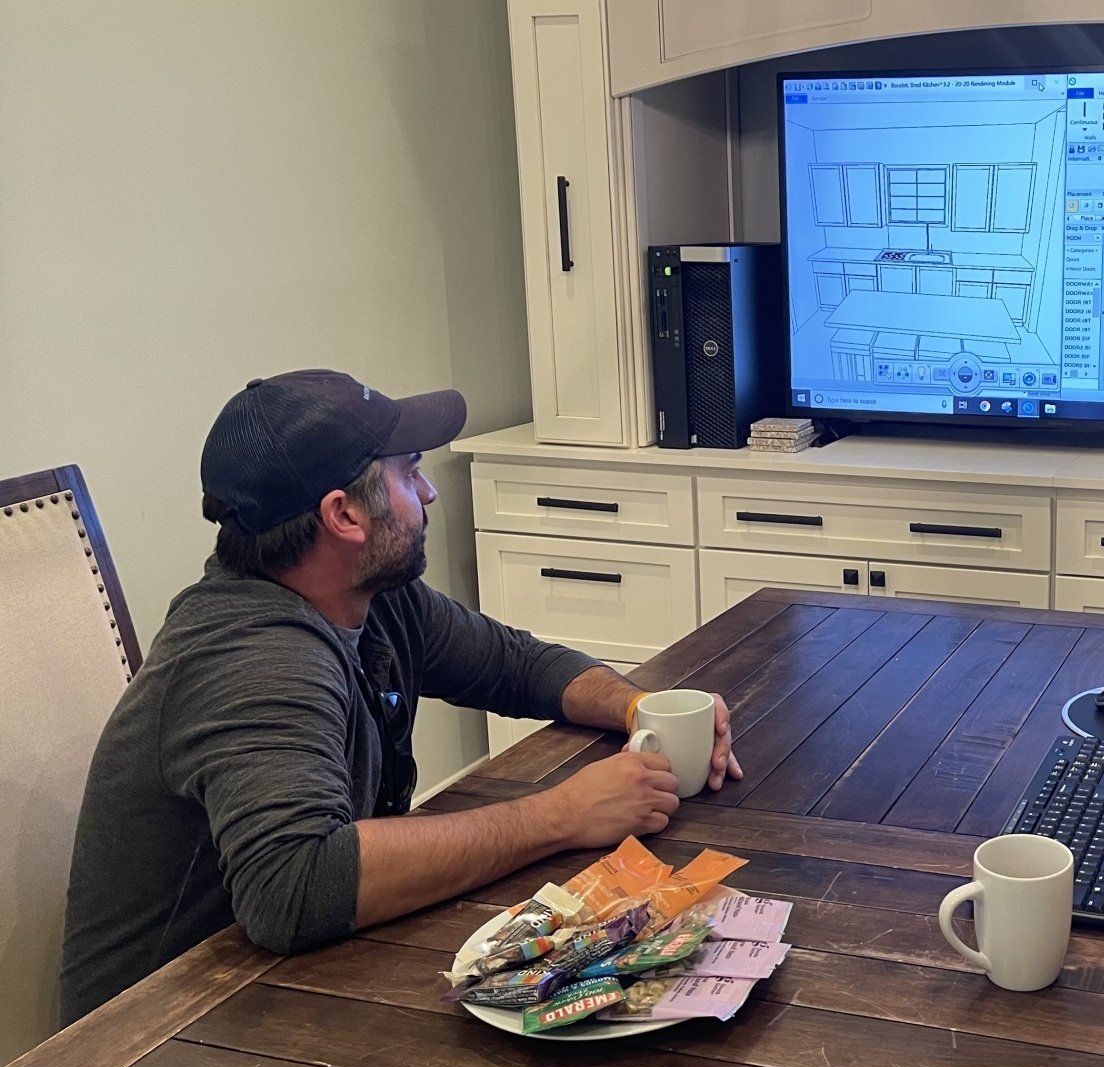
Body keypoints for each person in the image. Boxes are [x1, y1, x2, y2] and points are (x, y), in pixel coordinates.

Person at [58, 370, 739, 1024]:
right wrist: (562, 814)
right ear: (345, 514)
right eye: (409, 470)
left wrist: (640, 711)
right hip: (162, 1043)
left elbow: (517, 665)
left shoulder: (367, 598)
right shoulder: (255, 659)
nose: (429, 493)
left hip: (291, 987)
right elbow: (294, 889)